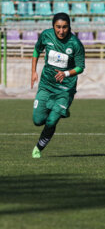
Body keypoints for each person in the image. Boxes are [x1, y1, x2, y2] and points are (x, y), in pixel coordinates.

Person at [31, 12, 85, 158]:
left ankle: (38, 147)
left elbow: (80, 67)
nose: (61, 31)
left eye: (65, 27)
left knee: (51, 120)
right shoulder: (46, 35)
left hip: (65, 89)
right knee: (37, 120)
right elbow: (37, 50)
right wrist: (33, 72)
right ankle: (59, 109)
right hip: (46, 85)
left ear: (69, 27)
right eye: (58, 27)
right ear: (53, 26)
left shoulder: (75, 44)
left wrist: (66, 73)